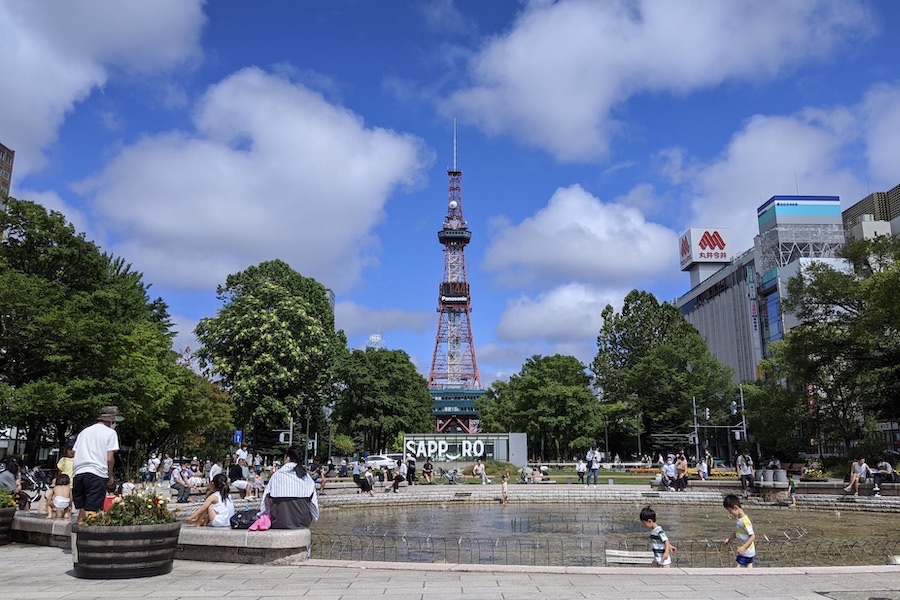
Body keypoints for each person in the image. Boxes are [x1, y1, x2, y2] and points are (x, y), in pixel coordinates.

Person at [72, 405, 122, 522]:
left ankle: (77, 536)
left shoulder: (84, 432)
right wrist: (110, 476)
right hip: (96, 473)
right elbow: (110, 458)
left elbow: (75, 452)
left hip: (79, 473)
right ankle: (90, 538)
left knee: (82, 509)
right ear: (111, 420)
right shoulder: (110, 433)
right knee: (93, 510)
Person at [258, 445, 319, 528]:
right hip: (302, 522)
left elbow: (265, 502)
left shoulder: (277, 475)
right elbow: (314, 506)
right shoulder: (306, 477)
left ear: (288, 458)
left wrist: (261, 515)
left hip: (279, 522)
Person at [722, 494, 756, 568]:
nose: (730, 514)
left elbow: (752, 536)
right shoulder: (739, 519)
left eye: (730, 512)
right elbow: (737, 533)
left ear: (735, 508)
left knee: (735, 567)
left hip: (746, 551)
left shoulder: (745, 521)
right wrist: (729, 539)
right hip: (747, 550)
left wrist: (743, 547)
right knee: (748, 566)